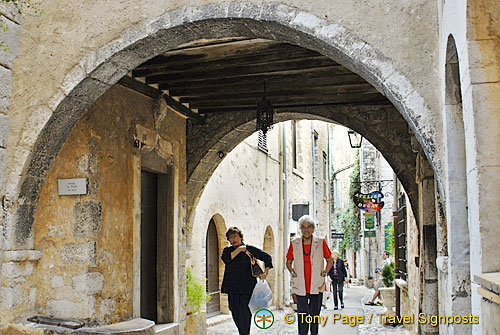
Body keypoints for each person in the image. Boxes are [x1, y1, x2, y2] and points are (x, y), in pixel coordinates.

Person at [286, 215, 333, 335]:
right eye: (303, 227)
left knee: (314, 314)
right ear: (300, 229)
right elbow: (288, 261)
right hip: (300, 283)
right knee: (302, 313)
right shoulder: (294, 243)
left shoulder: (321, 242)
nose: (306, 230)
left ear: (313, 229)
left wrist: (325, 272)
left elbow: (329, 259)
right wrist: (292, 271)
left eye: (309, 227)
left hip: (316, 283)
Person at [221, 227, 273, 335]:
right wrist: (240, 249)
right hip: (232, 287)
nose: (233, 239)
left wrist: (265, 273)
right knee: (234, 310)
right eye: (231, 237)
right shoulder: (227, 251)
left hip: (247, 287)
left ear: (240, 237)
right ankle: (242, 332)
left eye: (235, 236)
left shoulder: (249, 249)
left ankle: (244, 333)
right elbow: (227, 259)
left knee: (244, 311)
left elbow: (267, 257)